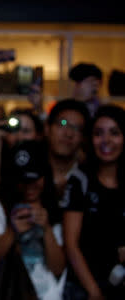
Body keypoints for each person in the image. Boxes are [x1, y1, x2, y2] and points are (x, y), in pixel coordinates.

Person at [0, 140, 66, 300]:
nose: (29, 187)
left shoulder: (54, 209)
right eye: (23, 181)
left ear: (45, 176)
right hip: (9, 291)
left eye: (35, 180)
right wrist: (12, 231)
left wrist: (47, 229)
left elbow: (58, 269)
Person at [63, 105, 125, 300]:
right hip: (84, 286)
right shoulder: (80, 180)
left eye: (114, 133)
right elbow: (71, 244)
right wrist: (93, 291)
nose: (106, 140)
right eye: (98, 133)